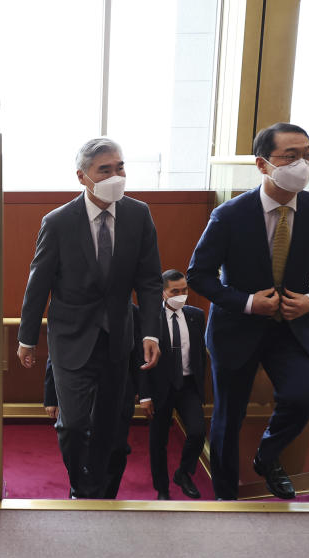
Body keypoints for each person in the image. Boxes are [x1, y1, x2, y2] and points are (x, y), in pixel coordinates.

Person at [187, 122, 309, 501]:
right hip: (235, 329)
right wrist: (247, 301)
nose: (302, 164)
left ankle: (267, 456)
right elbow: (198, 275)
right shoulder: (229, 215)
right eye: (291, 156)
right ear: (262, 164)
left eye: (307, 154)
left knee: (301, 399)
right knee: (228, 418)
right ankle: (225, 499)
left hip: (289, 327)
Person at [17, 138, 162, 499]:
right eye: (105, 170)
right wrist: (26, 337)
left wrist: (151, 333)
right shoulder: (58, 222)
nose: (116, 175)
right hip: (70, 338)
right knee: (74, 425)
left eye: (120, 167)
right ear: (83, 176)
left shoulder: (138, 214)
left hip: (119, 338)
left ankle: (104, 493)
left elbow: (148, 280)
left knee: (113, 430)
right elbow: (39, 285)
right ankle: (81, 489)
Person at [42, 302, 143, 499]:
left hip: (120, 391)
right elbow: (56, 353)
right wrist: (51, 396)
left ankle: (107, 498)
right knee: (79, 439)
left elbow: (137, 352)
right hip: (80, 390)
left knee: (117, 448)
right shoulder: (74, 307)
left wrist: (141, 390)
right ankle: (81, 490)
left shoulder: (132, 312)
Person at [138, 270, 206, 500]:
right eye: (174, 291)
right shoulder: (148, 319)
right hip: (160, 388)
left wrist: (200, 389)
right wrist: (144, 396)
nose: (181, 295)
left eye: (184, 290)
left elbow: (199, 356)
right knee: (158, 442)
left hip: (187, 386)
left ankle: (183, 473)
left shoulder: (197, 316)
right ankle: (162, 489)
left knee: (197, 432)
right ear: (163, 292)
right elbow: (141, 359)